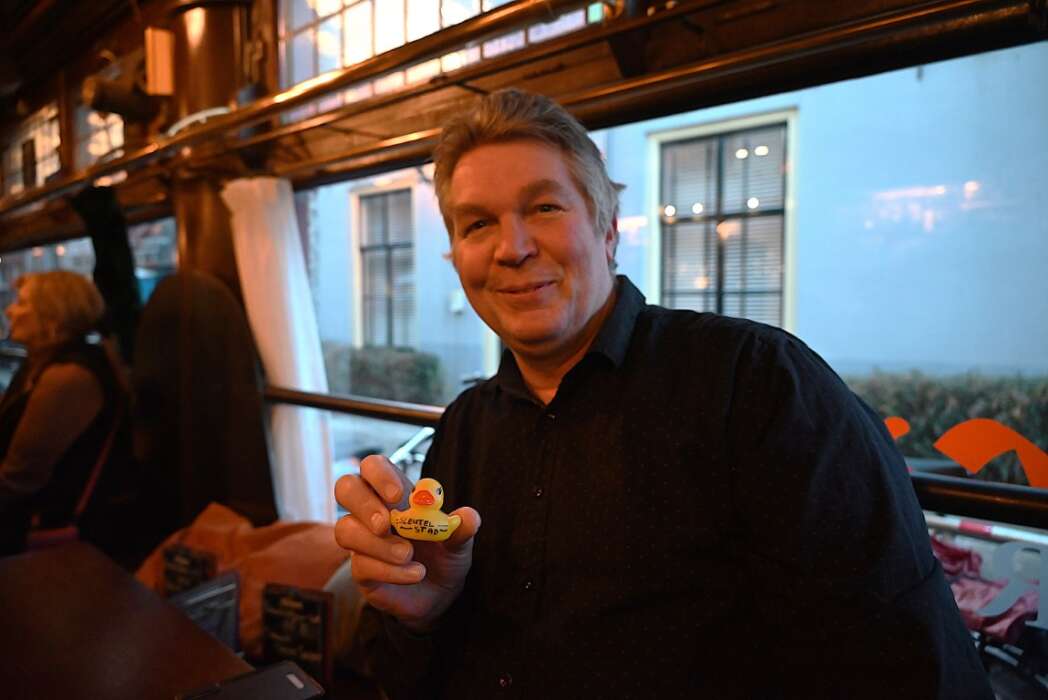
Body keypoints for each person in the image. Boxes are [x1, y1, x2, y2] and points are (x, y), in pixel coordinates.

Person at [334, 89, 992, 697]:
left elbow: (906, 665)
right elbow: (405, 675)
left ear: (608, 229)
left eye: (544, 208)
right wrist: (422, 617)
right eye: (477, 224)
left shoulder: (759, 386)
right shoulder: (464, 427)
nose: (512, 247)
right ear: (457, 255)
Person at [0, 270, 123, 556]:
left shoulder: (68, 377)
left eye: (22, 303)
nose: (9, 310)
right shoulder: (37, 364)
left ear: (53, 315)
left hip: (38, 531)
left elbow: (19, 479)